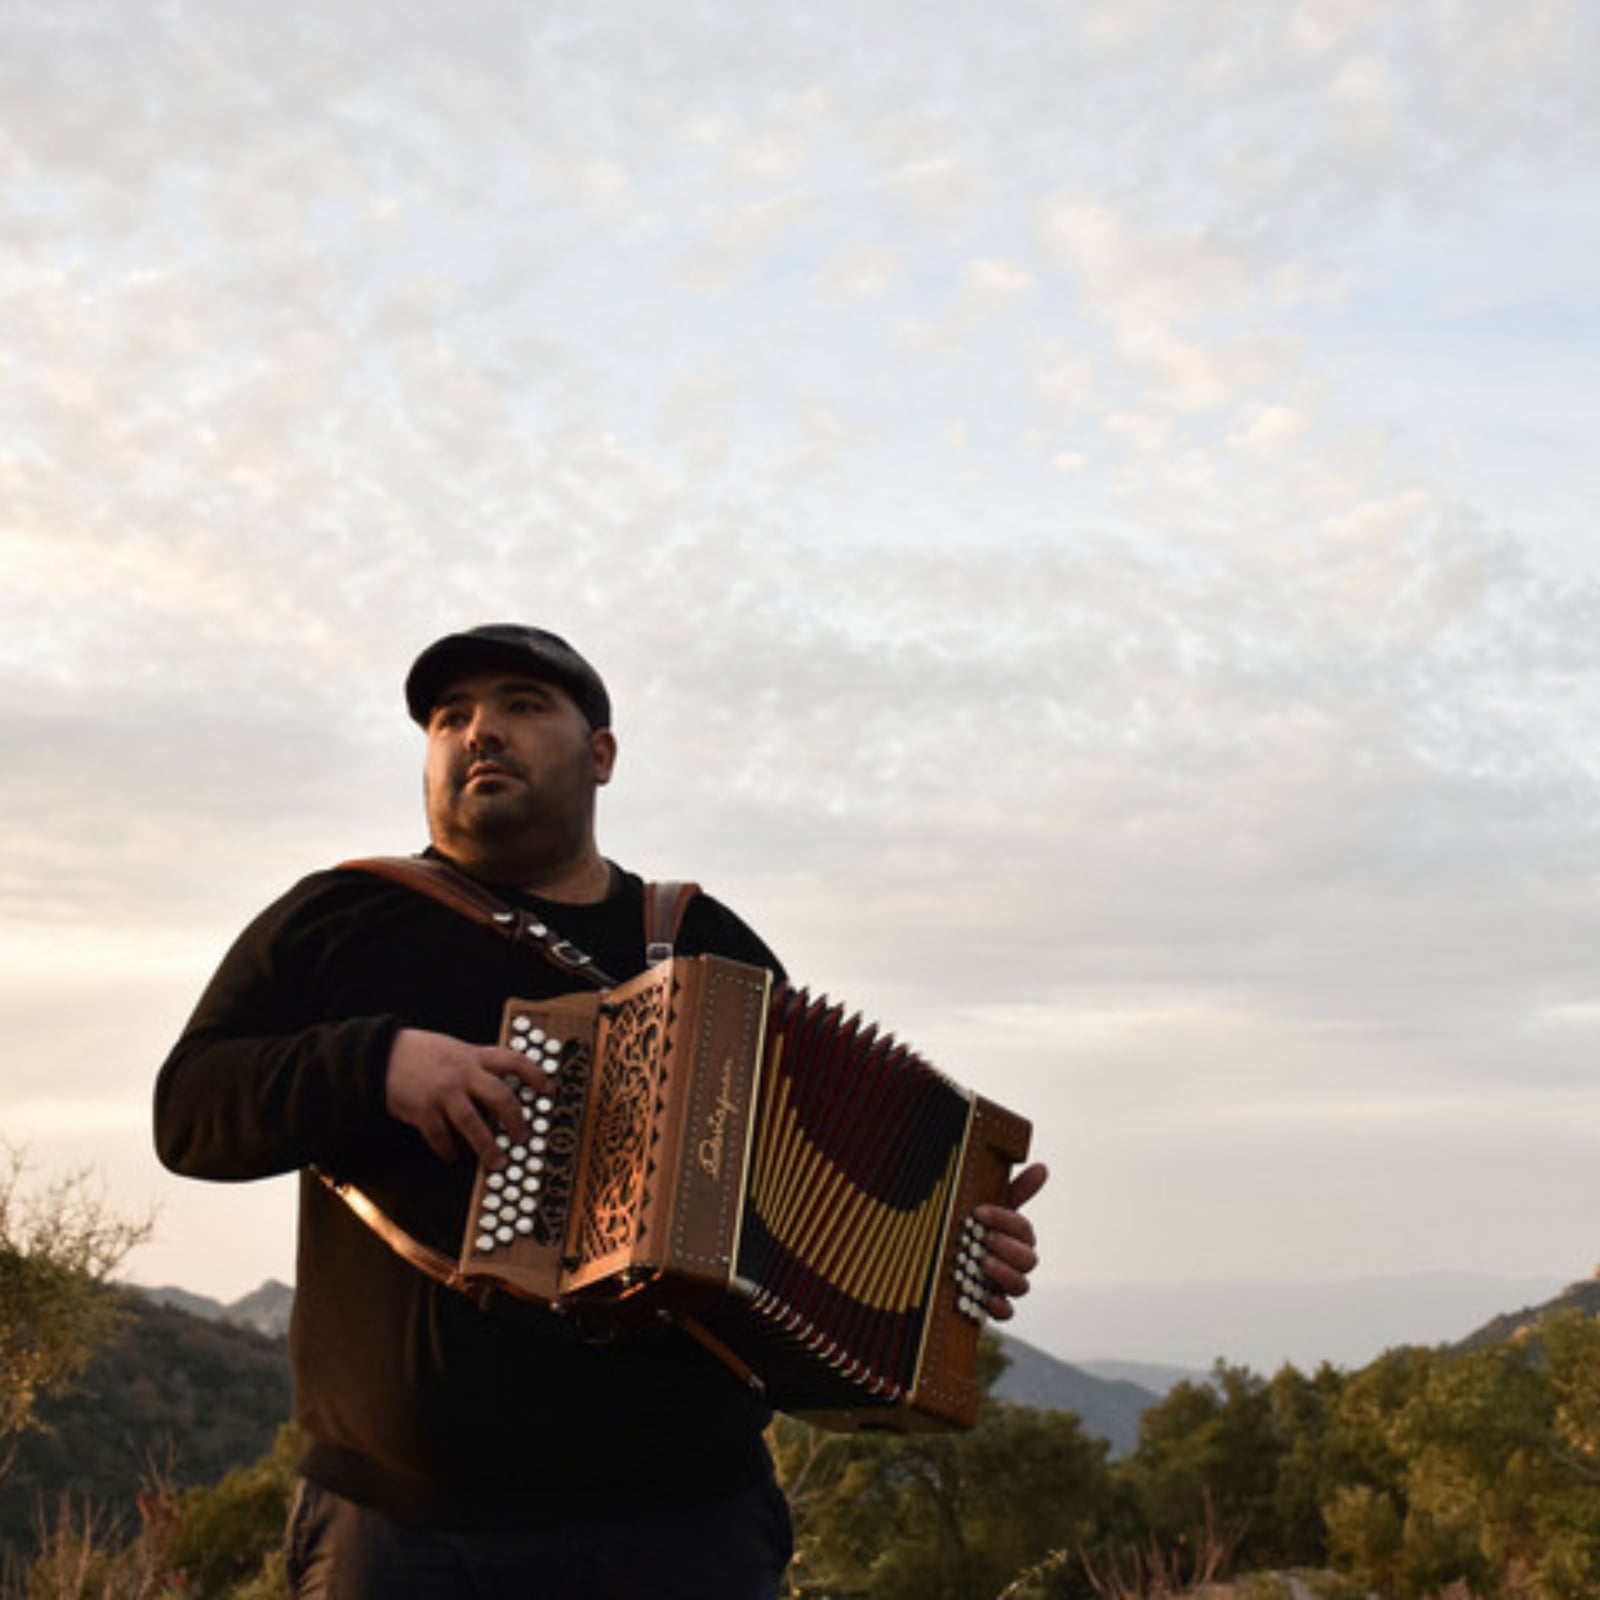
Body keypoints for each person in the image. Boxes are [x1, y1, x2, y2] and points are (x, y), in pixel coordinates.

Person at [155, 624, 1047, 1600]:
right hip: (401, 1534)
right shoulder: (338, 916)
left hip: (684, 1530)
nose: (479, 730)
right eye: (451, 717)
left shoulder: (701, 945)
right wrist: (374, 1063)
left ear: (601, 753)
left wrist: (949, 1255)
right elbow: (188, 1110)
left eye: (522, 705)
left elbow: (804, 1194)